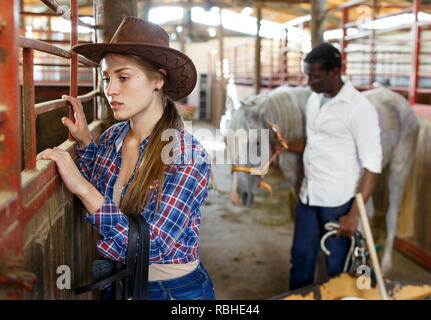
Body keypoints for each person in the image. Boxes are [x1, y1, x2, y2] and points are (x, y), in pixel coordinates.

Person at [36, 17, 216, 300]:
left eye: (123, 77)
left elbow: (153, 246)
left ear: (158, 80)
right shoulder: (111, 137)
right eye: (107, 78)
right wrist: (84, 143)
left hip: (173, 292)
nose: (110, 90)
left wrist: (82, 188)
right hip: (119, 284)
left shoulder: (187, 155)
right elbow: (102, 186)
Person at [286, 43, 382, 290]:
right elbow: (315, 142)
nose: (309, 82)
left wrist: (353, 216)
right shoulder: (314, 100)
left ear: (335, 72)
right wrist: (285, 144)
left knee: (338, 265)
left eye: (315, 76)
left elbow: (372, 166)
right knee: (300, 259)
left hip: (339, 202)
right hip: (308, 197)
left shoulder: (359, 109)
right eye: (307, 74)